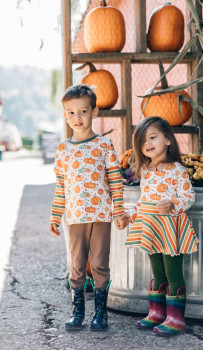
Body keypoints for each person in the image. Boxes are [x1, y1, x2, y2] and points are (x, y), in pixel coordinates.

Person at [49, 84, 126, 332]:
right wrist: (55, 215)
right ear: (65, 115)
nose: (77, 118)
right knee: (77, 264)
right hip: (74, 217)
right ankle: (78, 310)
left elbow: (115, 180)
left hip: (101, 215)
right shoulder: (63, 150)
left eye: (83, 111)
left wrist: (119, 210)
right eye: (71, 113)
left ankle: (101, 313)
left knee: (100, 263)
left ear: (95, 111)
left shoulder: (104, 145)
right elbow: (61, 187)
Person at [118, 116, 198, 336]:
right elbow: (144, 201)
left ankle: (176, 318)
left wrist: (174, 203)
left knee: (173, 274)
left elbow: (189, 196)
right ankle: (156, 313)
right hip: (151, 229)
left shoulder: (176, 170)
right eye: (143, 141)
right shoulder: (147, 170)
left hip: (170, 229)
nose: (148, 144)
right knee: (157, 273)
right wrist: (129, 215)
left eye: (153, 137)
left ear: (168, 140)